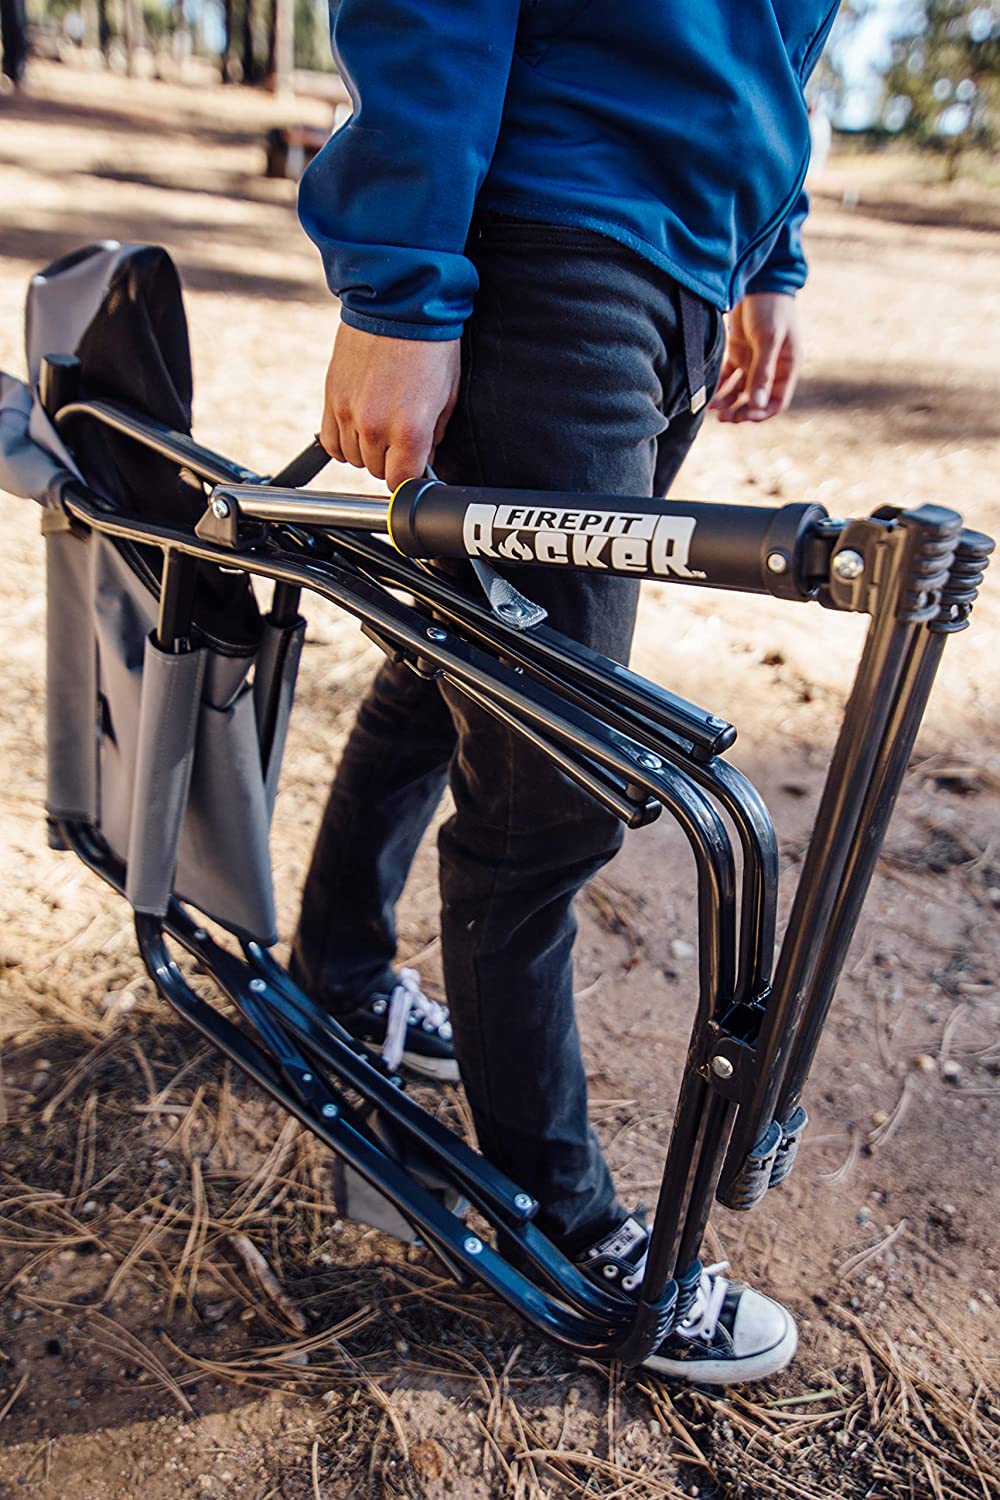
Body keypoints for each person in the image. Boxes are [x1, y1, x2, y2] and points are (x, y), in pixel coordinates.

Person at [294, 0, 839, 1385]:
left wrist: (767, 247)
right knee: (555, 783)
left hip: (683, 265)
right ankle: (557, 1224)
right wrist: (399, 287)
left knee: (455, 665)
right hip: (554, 245)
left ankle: (341, 977)